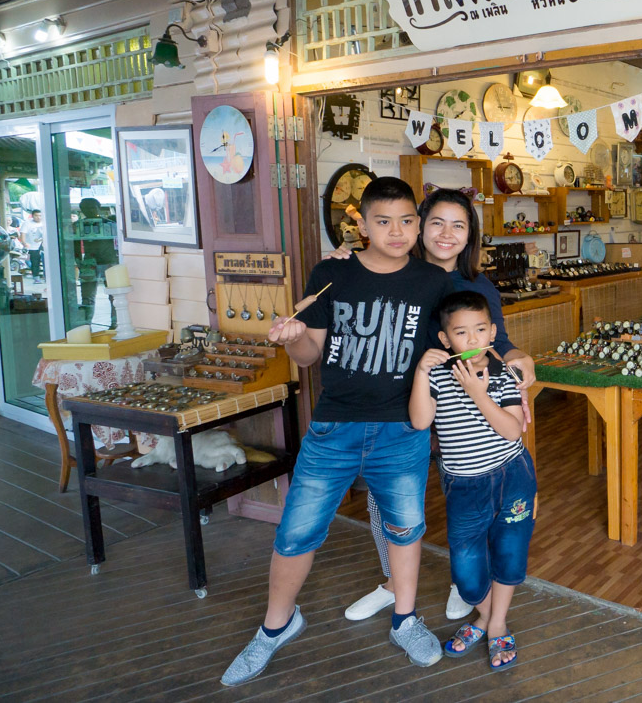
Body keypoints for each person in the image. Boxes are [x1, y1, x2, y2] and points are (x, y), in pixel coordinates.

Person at [221, 177, 457, 686]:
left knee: (405, 528)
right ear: (362, 224)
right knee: (296, 532)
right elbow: (310, 355)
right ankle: (275, 626)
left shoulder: (432, 281)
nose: (397, 232)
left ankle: (405, 618)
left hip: (401, 429)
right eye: (383, 221)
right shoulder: (332, 274)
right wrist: (293, 338)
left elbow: (465, 329)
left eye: (407, 221)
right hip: (334, 427)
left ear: (417, 223)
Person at [336, 188, 537, 624]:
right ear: (419, 226)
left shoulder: (478, 285)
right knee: (386, 496)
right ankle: (393, 583)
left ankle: (464, 582)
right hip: (396, 402)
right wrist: (345, 263)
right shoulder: (393, 271)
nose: (447, 234)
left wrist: (519, 354)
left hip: (460, 406)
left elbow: (497, 340)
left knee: (465, 490)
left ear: (470, 234)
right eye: (437, 223)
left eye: (458, 225)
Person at [411, 290, 534, 671]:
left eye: (480, 329)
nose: (472, 339)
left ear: (493, 332)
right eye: (461, 332)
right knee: (466, 568)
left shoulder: (503, 374)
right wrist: (420, 372)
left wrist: (479, 395)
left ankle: (494, 623)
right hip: (464, 485)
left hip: (512, 476)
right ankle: (484, 613)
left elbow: (512, 431)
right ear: (445, 339)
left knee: (510, 552)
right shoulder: (436, 376)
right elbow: (420, 421)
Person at [22, 209, 43, 278]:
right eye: (36, 215)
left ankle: (40, 275)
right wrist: (24, 243)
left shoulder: (44, 223)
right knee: (32, 261)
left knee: (40, 261)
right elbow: (23, 233)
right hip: (31, 246)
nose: (38, 217)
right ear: (32, 216)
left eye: (40, 215)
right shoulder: (27, 223)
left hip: (41, 246)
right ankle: (35, 275)